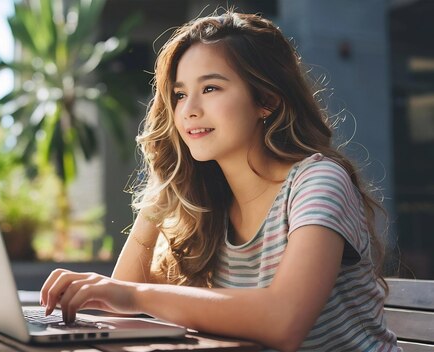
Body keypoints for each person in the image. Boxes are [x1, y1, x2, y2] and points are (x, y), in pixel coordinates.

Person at [39, 11, 399, 352]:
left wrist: (132, 296)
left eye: (210, 88)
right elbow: (117, 303)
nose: (189, 109)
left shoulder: (317, 182)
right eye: (179, 94)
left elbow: (284, 321)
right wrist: (163, 188)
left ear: (266, 100)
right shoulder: (207, 201)